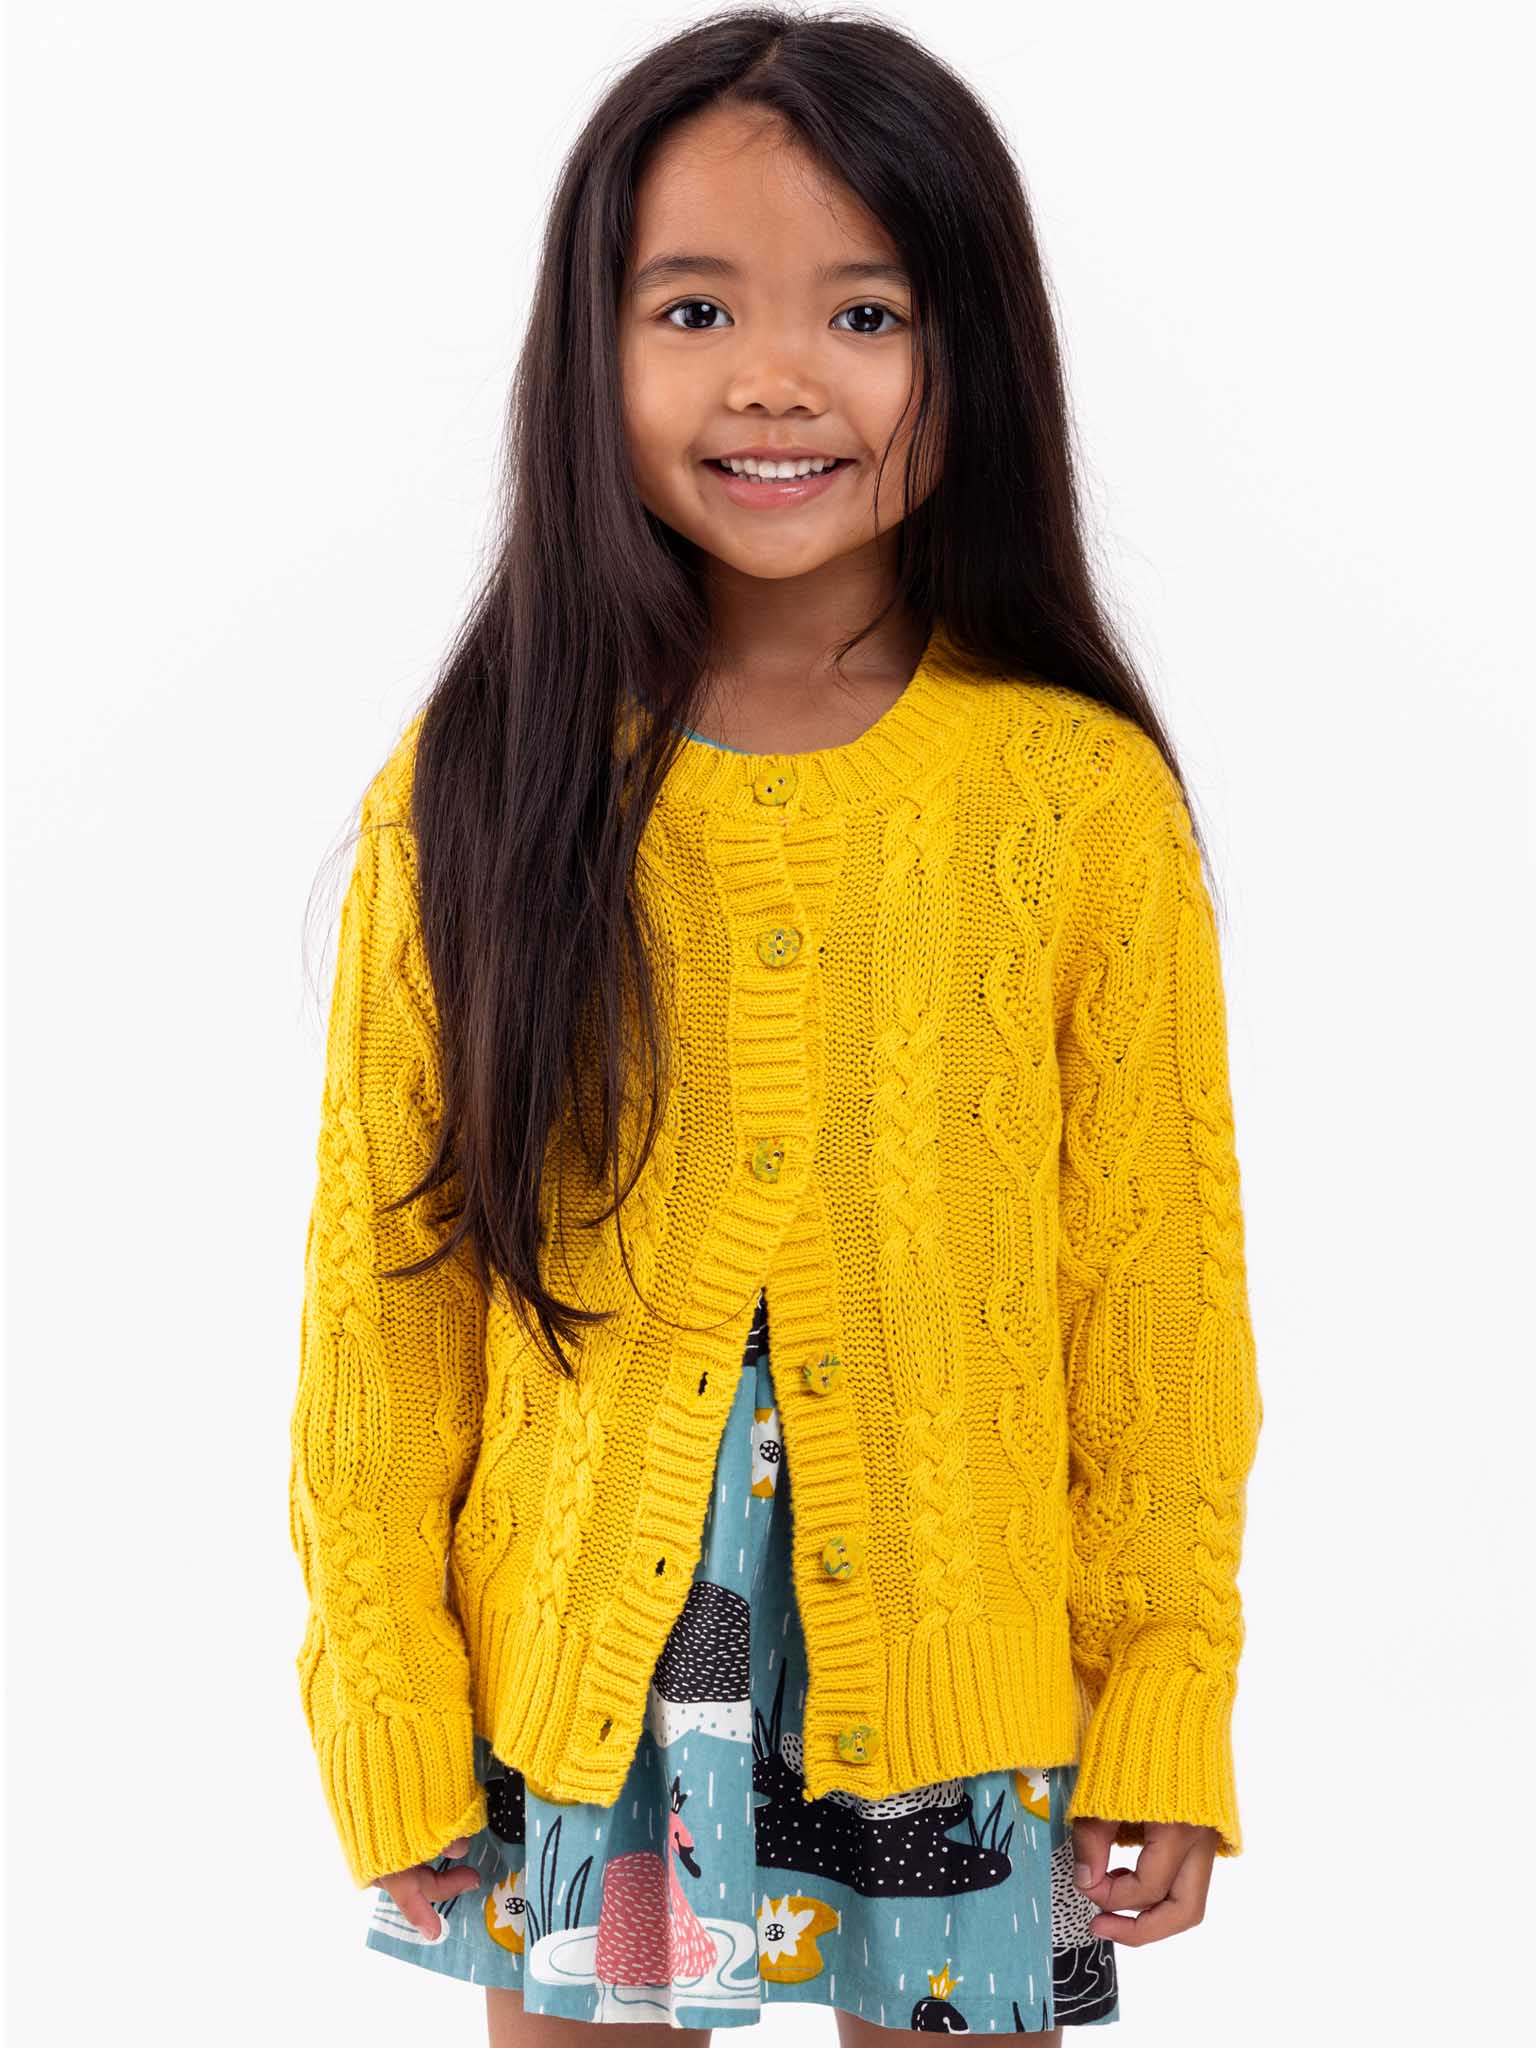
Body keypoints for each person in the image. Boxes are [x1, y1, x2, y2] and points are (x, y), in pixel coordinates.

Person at [287, 9, 1263, 2042]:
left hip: (961, 1664)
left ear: (968, 353)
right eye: (696, 304)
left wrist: (1164, 1678)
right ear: (593, 348)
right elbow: (381, 1303)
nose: (775, 375)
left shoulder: (1075, 802)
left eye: (868, 310)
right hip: (588, 1672)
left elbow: (1156, 1289)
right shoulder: (479, 780)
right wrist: (389, 1700)